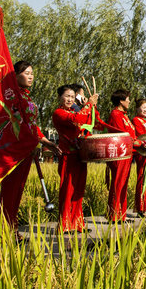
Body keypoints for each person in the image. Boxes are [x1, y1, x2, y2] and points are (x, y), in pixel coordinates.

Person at [0, 61, 62, 229]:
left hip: (27, 149)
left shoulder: (26, 96)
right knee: (10, 191)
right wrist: (33, 140)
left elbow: (32, 125)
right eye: (26, 73)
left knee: (18, 190)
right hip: (15, 150)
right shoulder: (12, 96)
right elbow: (18, 123)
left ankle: (11, 227)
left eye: (32, 73)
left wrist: (45, 141)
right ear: (15, 75)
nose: (31, 76)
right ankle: (4, 229)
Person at [52, 84, 102, 231]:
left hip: (79, 155)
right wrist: (88, 105)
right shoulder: (59, 113)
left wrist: (92, 107)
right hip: (68, 156)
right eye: (67, 96)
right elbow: (78, 117)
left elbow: (93, 121)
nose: (70, 99)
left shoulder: (75, 110)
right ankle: (65, 225)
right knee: (68, 190)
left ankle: (78, 224)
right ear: (60, 97)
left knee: (79, 191)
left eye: (72, 97)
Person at [106, 88, 141, 222]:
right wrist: (139, 143)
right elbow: (122, 135)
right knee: (117, 184)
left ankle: (121, 214)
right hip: (119, 153)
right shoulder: (115, 114)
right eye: (127, 99)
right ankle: (114, 215)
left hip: (127, 154)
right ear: (121, 101)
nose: (129, 101)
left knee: (123, 184)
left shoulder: (124, 115)